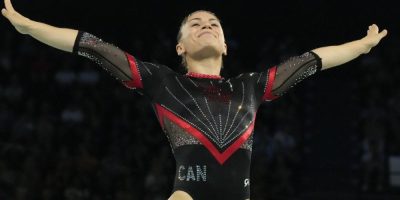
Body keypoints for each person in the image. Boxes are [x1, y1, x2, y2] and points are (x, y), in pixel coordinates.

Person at [1, 0, 388, 199]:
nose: (207, 26)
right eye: (196, 24)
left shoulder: (251, 86)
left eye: (214, 24)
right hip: (188, 193)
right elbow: (93, 47)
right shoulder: (161, 81)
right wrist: (29, 26)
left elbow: (312, 61)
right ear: (180, 47)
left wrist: (363, 45)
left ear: (225, 45)